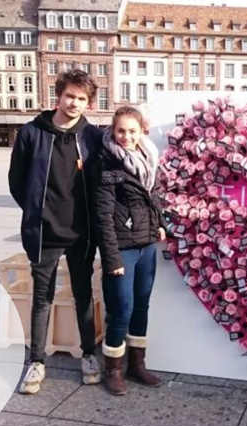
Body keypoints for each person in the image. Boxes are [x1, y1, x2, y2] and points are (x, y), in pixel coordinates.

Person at [8, 70, 103, 395]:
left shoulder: (92, 136)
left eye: (81, 98)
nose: (74, 103)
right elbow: (17, 181)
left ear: (88, 102)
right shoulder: (32, 132)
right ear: (58, 96)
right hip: (44, 231)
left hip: (81, 232)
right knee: (42, 298)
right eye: (69, 96)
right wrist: (37, 211)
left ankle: (89, 354)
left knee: (82, 294)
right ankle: (36, 361)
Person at [94, 106, 166, 396]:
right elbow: (103, 214)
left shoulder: (148, 157)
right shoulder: (108, 163)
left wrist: (160, 224)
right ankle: (112, 369)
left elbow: (152, 196)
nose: (126, 136)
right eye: (120, 131)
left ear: (141, 132)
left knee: (141, 306)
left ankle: (137, 365)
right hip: (122, 248)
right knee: (121, 308)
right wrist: (111, 258)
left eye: (132, 131)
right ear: (113, 131)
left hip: (146, 244)